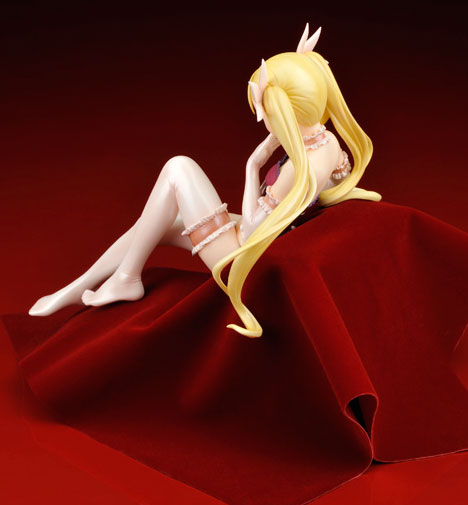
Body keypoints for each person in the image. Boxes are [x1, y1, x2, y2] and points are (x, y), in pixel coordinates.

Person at [28, 24, 381, 337]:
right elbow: (324, 194)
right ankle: (84, 285)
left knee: (178, 168)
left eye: (266, 114)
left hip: (244, 259)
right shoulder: (326, 141)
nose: (264, 122)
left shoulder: (297, 170)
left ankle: (124, 279)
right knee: (158, 223)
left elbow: (251, 232)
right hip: (271, 238)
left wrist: (252, 166)